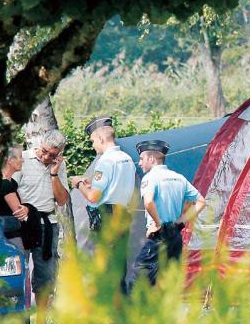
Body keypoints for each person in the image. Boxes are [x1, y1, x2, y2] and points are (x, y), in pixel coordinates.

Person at [125, 139, 206, 294]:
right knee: (168, 283)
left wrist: (158, 222)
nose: (140, 163)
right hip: (175, 236)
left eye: (141, 159)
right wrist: (180, 222)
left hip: (158, 237)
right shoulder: (179, 178)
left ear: (151, 159)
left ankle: (133, 317)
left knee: (138, 282)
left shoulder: (150, 178)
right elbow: (201, 202)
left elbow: (148, 202)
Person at [14, 130, 69, 324]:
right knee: (19, 271)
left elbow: (62, 200)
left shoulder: (58, 165)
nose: (46, 157)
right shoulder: (24, 159)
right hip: (24, 222)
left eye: (52, 155)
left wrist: (54, 172)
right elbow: (11, 189)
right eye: (45, 152)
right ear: (40, 143)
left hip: (48, 222)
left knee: (45, 275)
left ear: (59, 154)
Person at [70, 116, 135, 240]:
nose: (93, 145)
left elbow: (93, 197)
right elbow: (115, 187)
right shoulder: (127, 158)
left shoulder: (105, 161)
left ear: (100, 139)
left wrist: (79, 184)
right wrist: (92, 185)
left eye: (92, 141)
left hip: (107, 219)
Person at [0, 146, 30, 308]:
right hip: (12, 236)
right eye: (19, 157)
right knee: (23, 274)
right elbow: (20, 212)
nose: (22, 160)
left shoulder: (12, 182)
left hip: (9, 234)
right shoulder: (5, 185)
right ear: (10, 161)